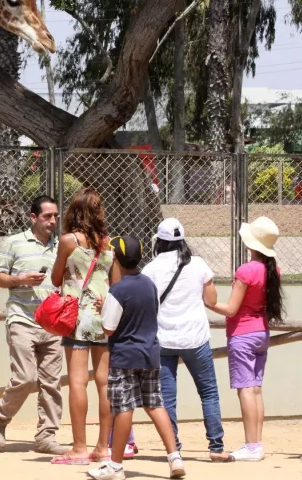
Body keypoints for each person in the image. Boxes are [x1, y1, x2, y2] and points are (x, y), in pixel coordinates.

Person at [89, 235, 185, 480]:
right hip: (150, 353)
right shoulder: (149, 284)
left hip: (124, 357)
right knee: (155, 404)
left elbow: (109, 328)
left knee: (124, 408)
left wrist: (102, 310)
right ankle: (174, 458)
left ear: (117, 259)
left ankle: (115, 467)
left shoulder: (118, 289)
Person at [141, 218, 230, 462]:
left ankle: (175, 449)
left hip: (164, 338)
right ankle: (216, 447)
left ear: (159, 241)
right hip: (196, 338)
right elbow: (211, 299)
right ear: (182, 240)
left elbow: (148, 304)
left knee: (167, 398)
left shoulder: (150, 269)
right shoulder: (198, 264)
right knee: (209, 392)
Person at [0, 195, 67, 455]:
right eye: (47, 216)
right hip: (22, 319)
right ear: (33, 217)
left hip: (54, 324)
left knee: (51, 383)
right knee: (25, 378)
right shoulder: (15, 242)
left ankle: (47, 435)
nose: (53, 221)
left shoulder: (62, 246)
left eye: (55, 216)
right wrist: (21, 279)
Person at [208, 216, 284, 462]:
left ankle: (252, 446)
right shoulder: (273, 269)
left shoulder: (246, 270)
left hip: (242, 334)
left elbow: (231, 309)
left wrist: (208, 302)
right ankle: (255, 444)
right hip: (261, 332)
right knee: (255, 389)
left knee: (245, 391)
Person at [50, 188, 115, 465]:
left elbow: (55, 278)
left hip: (76, 317)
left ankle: (79, 448)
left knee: (78, 382)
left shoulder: (68, 241)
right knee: (104, 383)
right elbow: (117, 283)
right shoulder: (108, 243)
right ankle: (103, 446)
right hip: (102, 314)